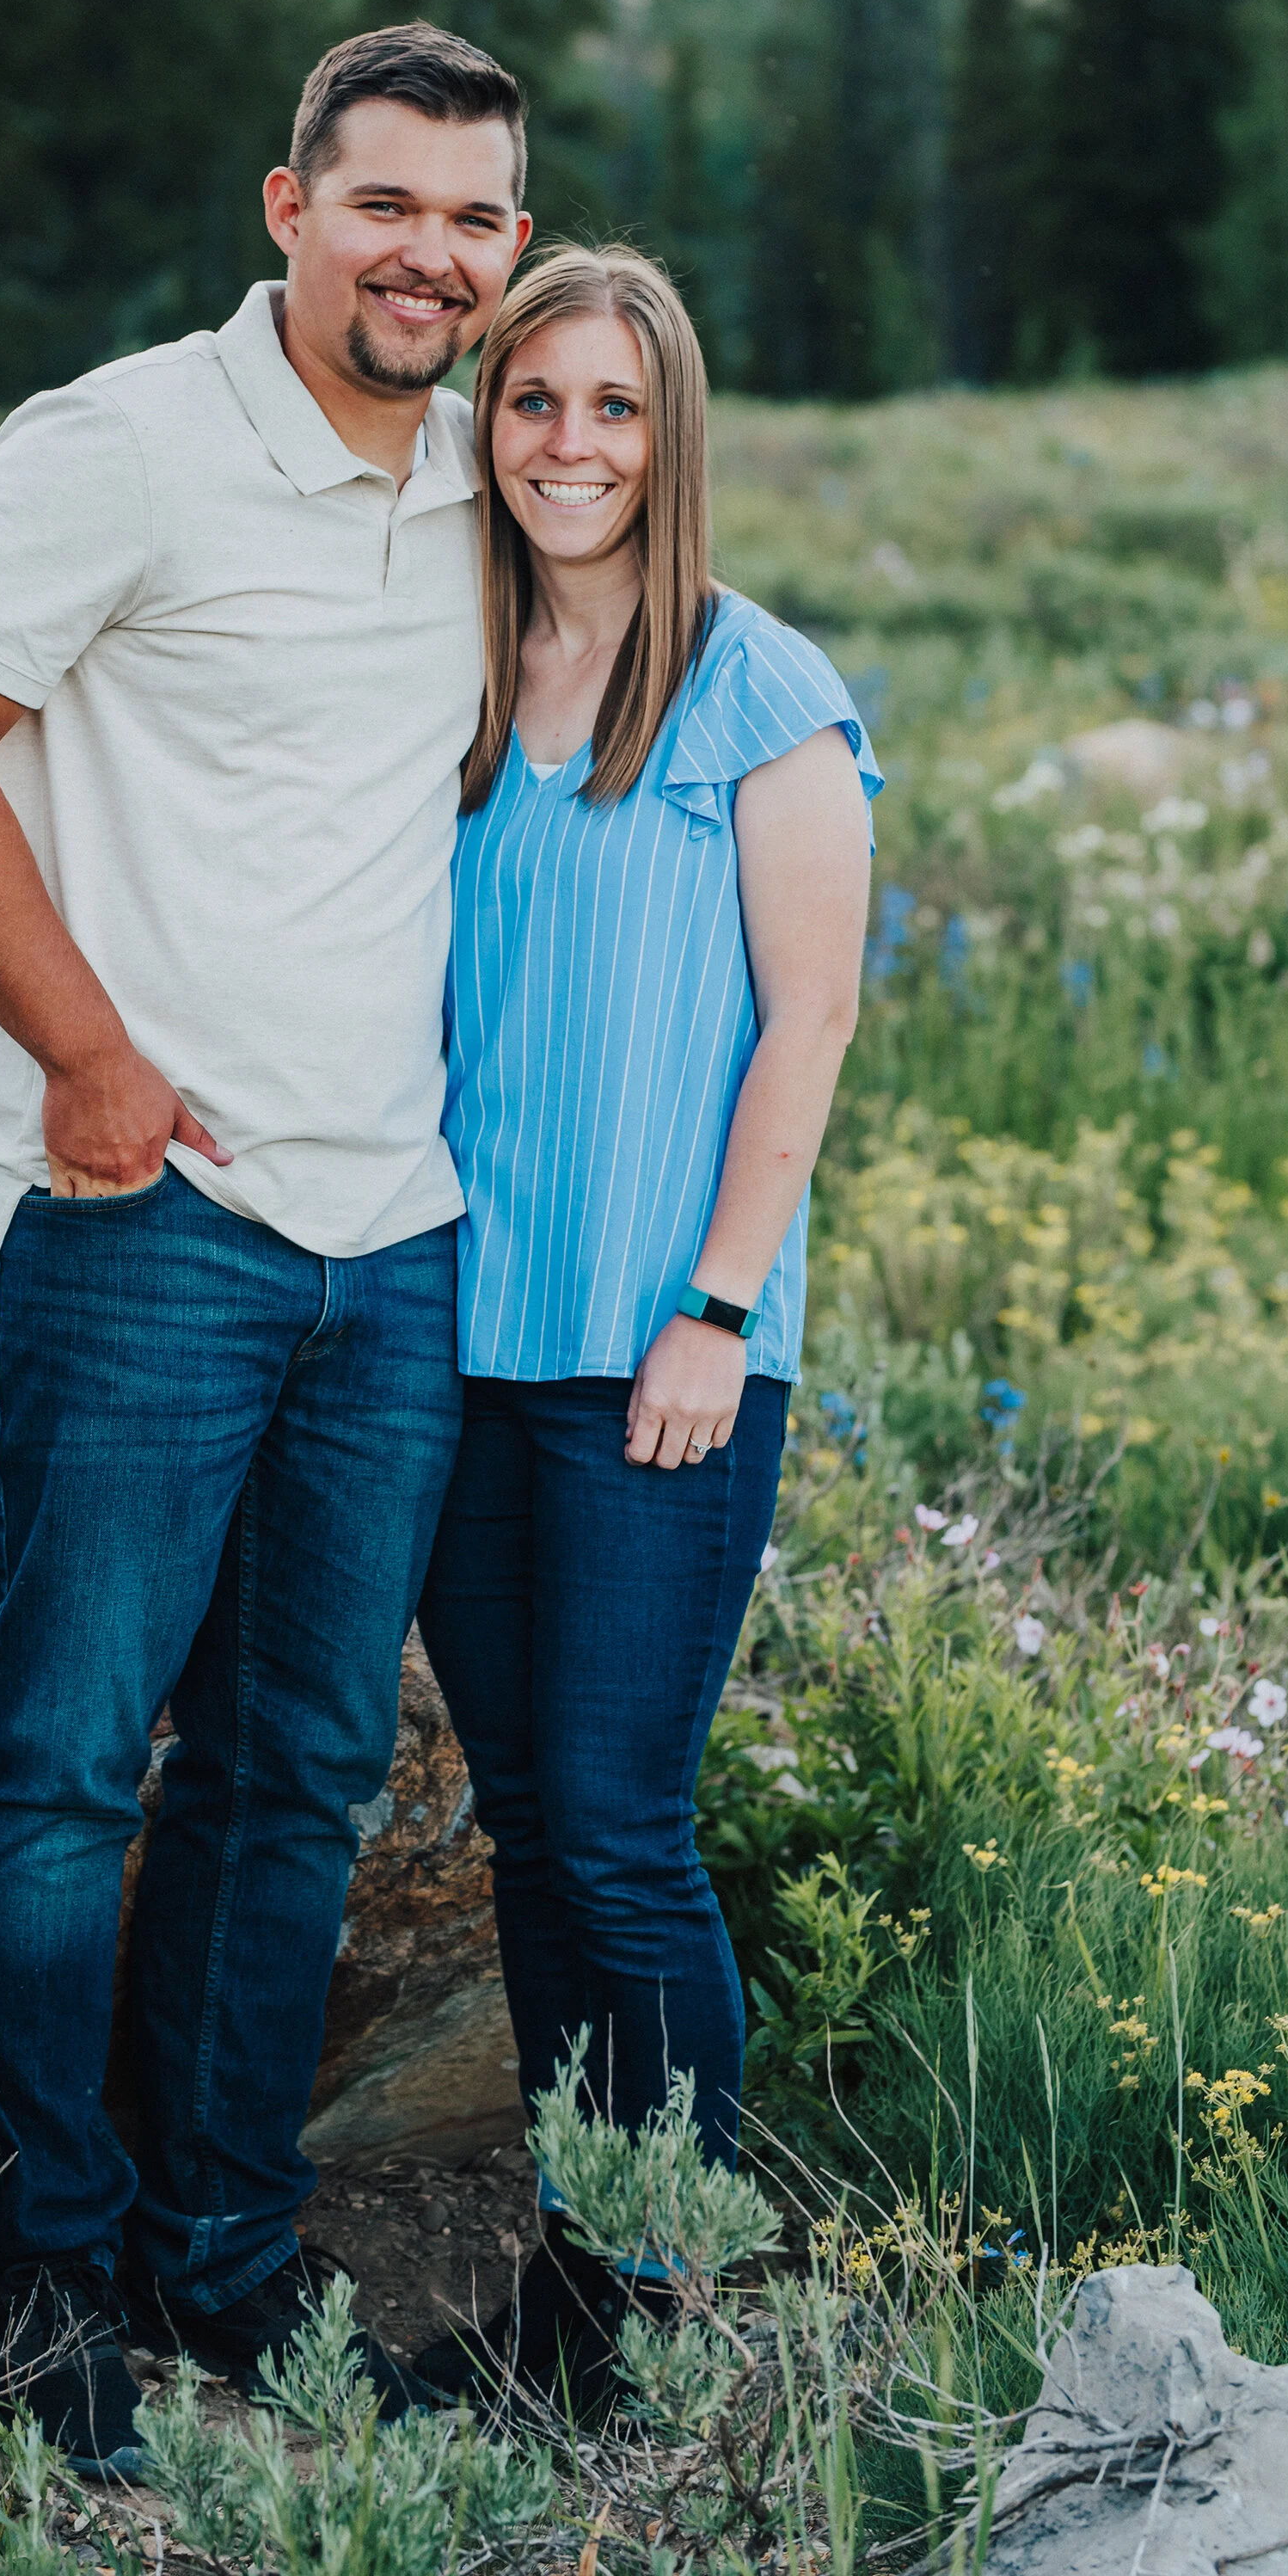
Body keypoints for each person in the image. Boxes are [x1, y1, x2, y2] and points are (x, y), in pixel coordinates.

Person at [0, 24, 533, 2474]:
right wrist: (92, 1062)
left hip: (390, 1235)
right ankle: (49, 2256)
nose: (429, 253)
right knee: (52, 1774)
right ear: (287, 204)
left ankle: (229, 2259)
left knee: (297, 1776)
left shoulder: (486, 472)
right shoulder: (119, 441)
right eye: (388, 205)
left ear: (511, 250)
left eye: (476, 217)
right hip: (136, 1221)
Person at [409, 243, 880, 2407]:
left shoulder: (754, 688)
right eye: (534, 405)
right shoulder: (452, 680)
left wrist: (712, 1306)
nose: (570, 447)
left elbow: (809, 1028)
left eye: (612, 410)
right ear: (485, 425)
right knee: (529, 1816)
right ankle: (576, 2287)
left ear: (669, 436)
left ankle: (666, 2292)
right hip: (458, 1344)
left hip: (661, 1360)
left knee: (617, 1823)